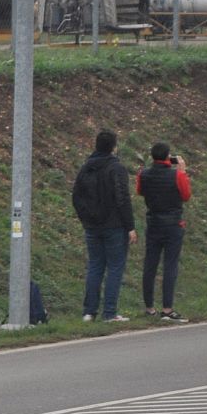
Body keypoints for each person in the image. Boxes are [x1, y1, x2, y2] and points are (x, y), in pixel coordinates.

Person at [72, 129, 137, 322]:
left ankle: (89, 312)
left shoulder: (86, 167)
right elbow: (122, 198)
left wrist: (85, 219)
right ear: (113, 147)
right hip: (114, 226)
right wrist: (130, 226)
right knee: (115, 267)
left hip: (92, 226)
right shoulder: (116, 168)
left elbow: (76, 196)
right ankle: (109, 312)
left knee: (95, 266)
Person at [136, 142, 191, 322]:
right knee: (170, 265)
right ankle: (167, 308)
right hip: (173, 224)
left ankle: (149, 307)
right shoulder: (176, 175)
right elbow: (186, 195)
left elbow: (140, 191)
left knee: (150, 264)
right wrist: (182, 170)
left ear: (152, 157)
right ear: (168, 157)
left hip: (153, 223)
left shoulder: (143, 174)